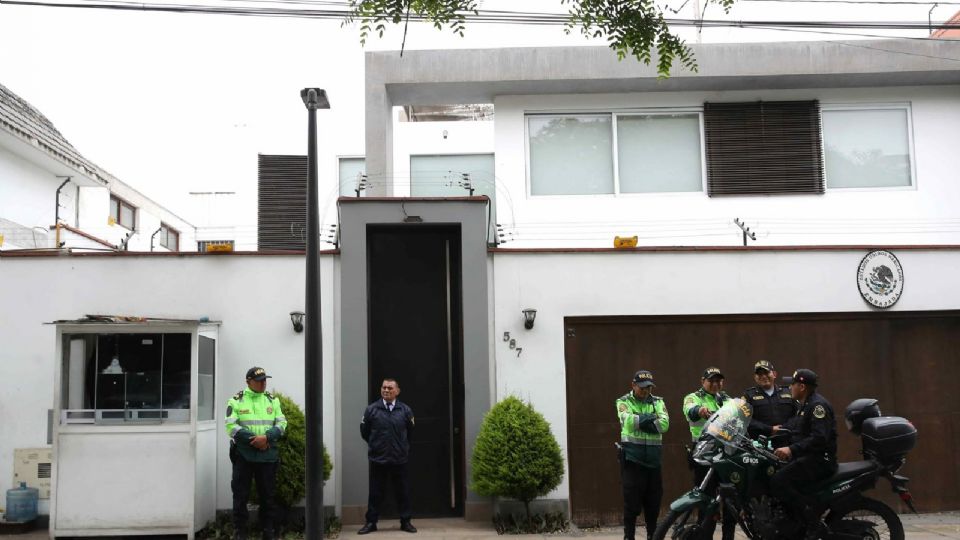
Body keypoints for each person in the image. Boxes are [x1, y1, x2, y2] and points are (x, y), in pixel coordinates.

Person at [771, 368, 838, 540]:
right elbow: (792, 428)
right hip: (808, 457)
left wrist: (791, 449)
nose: (789, 388)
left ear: (801, 386)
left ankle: (811, 520)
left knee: (778, 481)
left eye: (792, 384)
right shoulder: (805, 405)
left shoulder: (817, 406)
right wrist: (767, 436)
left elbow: (819, 438)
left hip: (820, 460)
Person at [225, 367, 287, 540]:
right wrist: (255, 440)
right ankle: (240, 532)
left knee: (268, 496)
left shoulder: (272, 400)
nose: (263, 383)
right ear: (248, 382)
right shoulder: (236, 400)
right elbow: (231, 426)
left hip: (267, 456)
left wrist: (266, 437)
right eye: (259, 381)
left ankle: (268, 531)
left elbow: (282, 424)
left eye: (265, 380)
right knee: (240, 495)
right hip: (244, 455)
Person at [682, 367, 735, 540]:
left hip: (727, 453)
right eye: (711, 380)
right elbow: (690, 410)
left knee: (730, 500)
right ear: (702, 381)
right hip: (704, 453)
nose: (715, 384)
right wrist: (700, 410)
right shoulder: (693, 397)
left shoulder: (727, 399)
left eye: (718, 380)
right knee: (706, 500)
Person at [616, 370, 670, 540]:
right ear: (633, 385)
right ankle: (629, 536)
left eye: (649, 388)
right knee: (631, 506)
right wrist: (651, 417)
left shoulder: (658, 401)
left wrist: (639, 419)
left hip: (653, 463)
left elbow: (664, 425)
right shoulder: (623, 401)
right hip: (633, 461)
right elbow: (627, 421)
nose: (646, 391)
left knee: (653, 505)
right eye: (642, 388)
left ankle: (652, 536)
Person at [359, 378, 417, 535]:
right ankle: (371, 522)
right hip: (379, 458)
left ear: (397, 391)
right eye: (384, 387)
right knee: (375, 493)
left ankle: (406, 522)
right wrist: (376, 445)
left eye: (390, 388)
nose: (386, 390)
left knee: (402, 491)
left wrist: (402, 447)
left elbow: (410, 432)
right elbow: (365, 432)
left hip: (399, 459)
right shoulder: (371, 410)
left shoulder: (405, 410)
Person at [742, 360, 798, 445]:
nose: (763, 376)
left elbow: (798, 414)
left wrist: (784, 428)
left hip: (787, 442)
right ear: (755, 377)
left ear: (774, 374)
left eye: (766, 372)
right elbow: (745, 419)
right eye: (759, 374)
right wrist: (769, 429)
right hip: (760, 445)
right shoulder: (748, 395)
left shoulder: (788, 392)